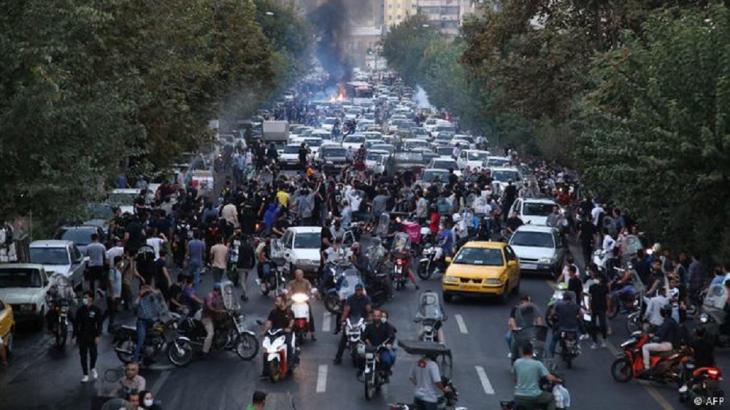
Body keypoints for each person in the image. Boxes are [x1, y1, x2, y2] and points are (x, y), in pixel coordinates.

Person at [513, 342, 561, 410]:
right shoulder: (537, 364)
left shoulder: (516, 362)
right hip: (533, 396)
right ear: (532, 352)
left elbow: (515, 379)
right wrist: (557, 380)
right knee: (552, 398)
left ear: (522, 352)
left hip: (518, 396)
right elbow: (549, 377)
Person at [334, 284, 372, 364]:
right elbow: (346, 310)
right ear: (355, 291)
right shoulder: (350, 299)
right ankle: (338, 358)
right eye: (357, 290)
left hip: (362, 321)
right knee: (344, 339)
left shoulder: (366, 299)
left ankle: (370, 357)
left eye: (360, 290)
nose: (358, 292)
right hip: (351, 321)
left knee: (368, 338)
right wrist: (343, 320)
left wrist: (369, 319)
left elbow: (369, 310)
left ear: (362, 290)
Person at [73, 290, 102, 382]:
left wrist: (98, 335)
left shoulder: (96, 310)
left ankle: (92, 367)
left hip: (92, 335)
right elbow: (76, 323)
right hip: (82, 336)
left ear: (91, 298)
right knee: (83, 356)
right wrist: (74, 336)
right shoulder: (80, 310)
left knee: (93, 354)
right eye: (84, 297)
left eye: (86, 297)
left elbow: (99, 324)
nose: (84, 299)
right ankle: (85, 374)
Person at [263, 295, 295, 374]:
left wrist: (289, 328)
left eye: (278, 301)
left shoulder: (289, 312)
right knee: (266, 349)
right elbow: (269, 323)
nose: (276, 302)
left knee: (288, 345)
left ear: (283, 302)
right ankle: (265, 371)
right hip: (274, 333)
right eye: (276, 301)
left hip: (285, 333)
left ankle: (289, 364)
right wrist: (265, 331)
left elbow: (291, 321)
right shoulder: (273, 312)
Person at [642, 304, 678, 372]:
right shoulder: (670, 320)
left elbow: (660, 333)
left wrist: (652, 335)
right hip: (670, 344)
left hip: (667, 344)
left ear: (664, 312)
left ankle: (646, 368)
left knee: (645, 347)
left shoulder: (667, 322)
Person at [361, 309, 396, 379]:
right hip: (371, 349)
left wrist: (389, 344)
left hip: (382, 349)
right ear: (372, 317)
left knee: (388, 360)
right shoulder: (369, 326)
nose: (376, 318)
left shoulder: (386, 326)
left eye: (378, 316)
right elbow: (363, 337)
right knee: (360, 359)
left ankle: (385, 373)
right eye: (375, 316)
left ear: (380, 317)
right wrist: (368, 343)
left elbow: (391, 336)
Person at [507, 295, 543, 360]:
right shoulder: (515, 309)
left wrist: (539, 327)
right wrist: (515, 328)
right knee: (508, 337)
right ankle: (512, 353)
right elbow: (512, 319)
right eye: (525, 301)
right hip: (518, 330)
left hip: (530, 330)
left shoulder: (533, 309)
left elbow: (538, 318)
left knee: (538, 346)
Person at [548, 292, 582, 357]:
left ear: (563, 298)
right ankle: (577, 347)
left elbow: (552, 314)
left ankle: (551, 354)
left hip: (562, 328)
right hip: (574, 328)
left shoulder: (559, 305)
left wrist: (552, 317)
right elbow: (581, 315)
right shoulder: (576, 306)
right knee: (577, 338)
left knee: (554, 339)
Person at [287, 269, 316, 341]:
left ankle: (312, 333)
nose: (299, 276)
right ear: (295, 275)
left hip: (304, 301)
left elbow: (310, 289)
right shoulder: (292, 283)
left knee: (310, 315)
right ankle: (288, 330)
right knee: (289, 315)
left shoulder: (306, 282)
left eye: (300, 275)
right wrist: (289, 295)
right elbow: (289, 290)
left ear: (302, 275)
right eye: (297, 275)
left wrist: (310, 294)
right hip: (294, 301)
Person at [202, 284, 226, 356]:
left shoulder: (219, 297)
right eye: (219, 291)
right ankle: (205, 351)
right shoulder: (210, 296)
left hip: (215, 317)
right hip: (207, 317)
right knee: (210, 333)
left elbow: (224, 303)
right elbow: (210, 307)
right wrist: (218, 311)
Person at [588, 273, 609, 349]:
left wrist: (608, 309)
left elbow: (607, 298)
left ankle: (604, 339)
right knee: (593, 326)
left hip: (602, 308)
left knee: (603, 325)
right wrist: (589, 308)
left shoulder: (605, 287)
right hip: (594, 308)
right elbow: (590, 298)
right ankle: (594, 342)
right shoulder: (592, 287)